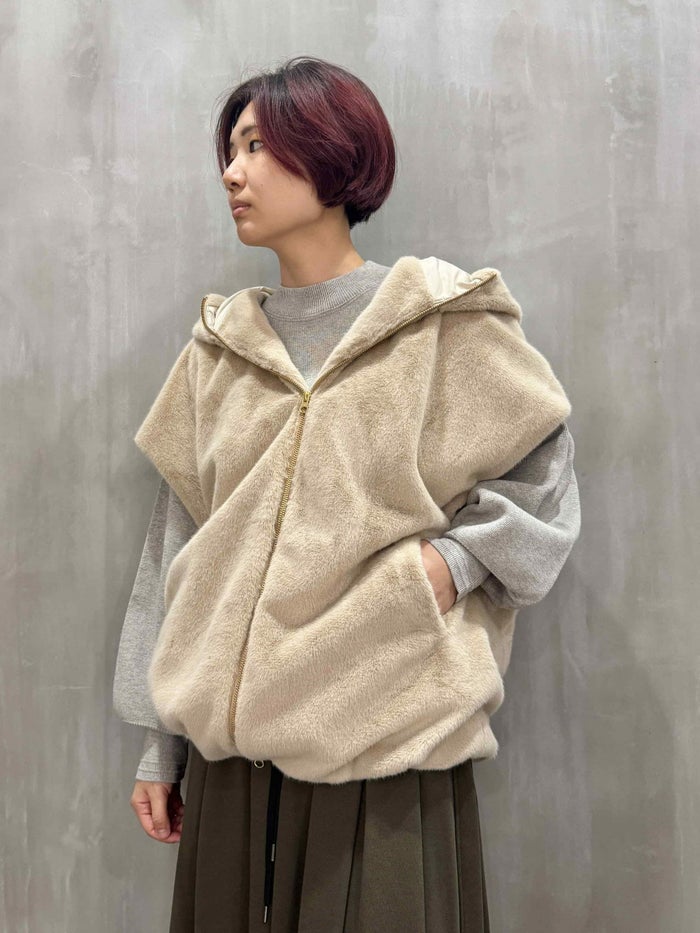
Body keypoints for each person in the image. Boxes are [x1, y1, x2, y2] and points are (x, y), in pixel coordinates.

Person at [112, 55, 581, 932]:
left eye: (257, 146)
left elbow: (542, 486)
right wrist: (157, 741)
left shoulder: (440, 324)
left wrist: (440, 573)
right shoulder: (218, 350)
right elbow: (176, 548)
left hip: (383, 749)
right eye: (230, 149)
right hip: (230, 772)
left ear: (329, 154)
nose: (232, 172)